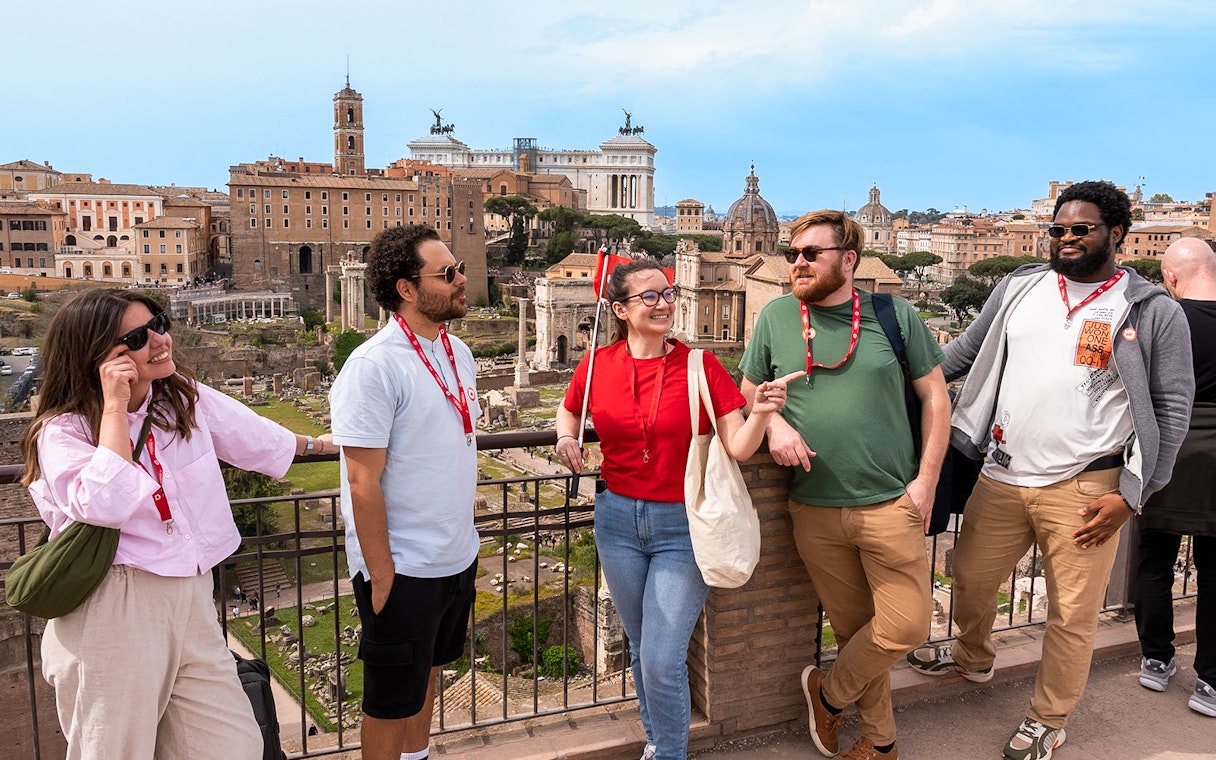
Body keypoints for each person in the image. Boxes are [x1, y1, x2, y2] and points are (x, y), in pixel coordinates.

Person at [906, 181, 1195, 760]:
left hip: (1090, 486)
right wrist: (878, 377)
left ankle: (1049, 717)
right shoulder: (1018, 287)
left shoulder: (1152, 310)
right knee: (969, 577)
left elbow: (1172, 406)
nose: (1065, 238)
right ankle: (972, 655)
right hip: (1002, 474)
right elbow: (959, 354)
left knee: (1071, 614)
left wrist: (1134, 496)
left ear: (1116, 233)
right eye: (1058, 229)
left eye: (1080, 229)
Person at [22, 288, 335, 760]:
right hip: (114, 603)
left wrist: (320, 445)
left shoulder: (181, 400)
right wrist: (114, 408)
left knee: (234, 747)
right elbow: (105, 503)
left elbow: (252, 436)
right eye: (137, 335)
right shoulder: (64, 431)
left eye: (159, 324)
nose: (159, 339)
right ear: (97, 354)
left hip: (191, 595)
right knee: (114, 750)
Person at [555, 257, 799, 760]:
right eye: (649, 296)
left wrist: (764, 412)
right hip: (616, 521)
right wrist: (563, 435)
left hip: (681, 525)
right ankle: (657, 741)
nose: (664, 302)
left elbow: (737, 446)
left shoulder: (700, 365)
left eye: (667, 293)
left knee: (662, 659)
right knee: (644, 649)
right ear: (620, 309)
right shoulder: (597, 365)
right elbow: (570, 406)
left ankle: (668, 752)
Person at [739, 209, 950, 760]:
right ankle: (880, 745)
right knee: (858, 630)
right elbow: (748, 389)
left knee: (906, 627)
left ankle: (827, 694)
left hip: (891, 502)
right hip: (813, 507)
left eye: (812, 254)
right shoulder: (776, 317)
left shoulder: (895, 314)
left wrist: (925, 482)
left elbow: (936, 397)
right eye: (792, 255)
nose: (798, 263)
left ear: (849, 259)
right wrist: (776, 423)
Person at [330, 224, 482, 760]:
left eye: (459, 267)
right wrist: (383, 572)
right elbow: (361, 480)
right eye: (447, 274)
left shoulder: (457, 351)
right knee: (389, 703)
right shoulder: (373, 366)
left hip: (455, 557)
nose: (462, 279)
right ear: (407, 289)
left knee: (426, 682)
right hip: (404, 568)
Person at [1133, 237, 1216, 716]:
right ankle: (1211, 682)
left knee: (1153, 560)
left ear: (1169, 277)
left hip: (1168, 450)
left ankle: (1156, 659)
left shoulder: (1166, 319)